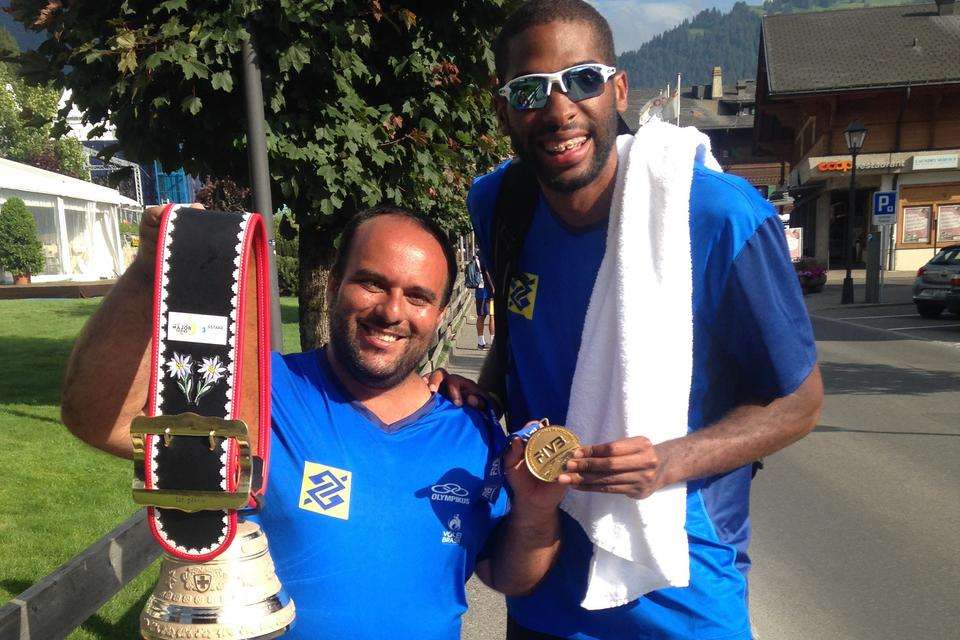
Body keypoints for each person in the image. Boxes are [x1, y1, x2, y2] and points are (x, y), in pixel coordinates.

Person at [431, 1, 824, 639]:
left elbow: (800, 402)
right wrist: (487, 391)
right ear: (505, 111)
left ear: (618, 88)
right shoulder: (500, 205)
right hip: (548, 581)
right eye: (530, 91)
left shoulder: (719, 219)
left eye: (583, 80)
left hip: (682, 585)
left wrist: (667, 461)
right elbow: (519, 335)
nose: (560, 111)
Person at [60, 203, 566, 640]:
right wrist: (151, 268)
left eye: (418, 296)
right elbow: (96, 418)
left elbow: (507, 574)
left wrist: (538, 510)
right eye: (372, 282)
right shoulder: (259, 393)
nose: (392, 311)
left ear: (438, 313)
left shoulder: (472, 432)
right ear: (333, 284)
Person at [472, 251, 495, 350]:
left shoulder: (478, 254)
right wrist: (493, 287)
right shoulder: (486, 254)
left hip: (480, 291)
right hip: (487, 291)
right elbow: (487, 271)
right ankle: (492, 342)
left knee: (482, 316)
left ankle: (481, 342)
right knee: (491, 316)